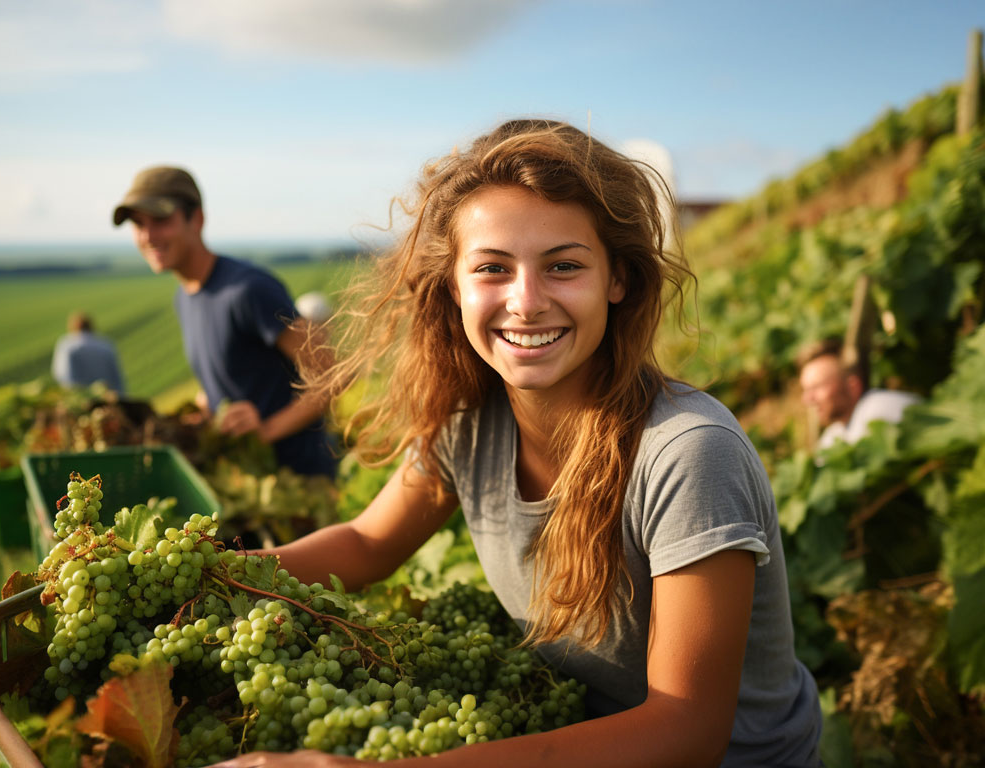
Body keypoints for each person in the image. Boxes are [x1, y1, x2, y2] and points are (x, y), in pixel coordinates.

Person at [214, 120, 820, 767]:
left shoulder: (689, 454)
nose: (526, 302)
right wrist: (211, 576)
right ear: (454, 286)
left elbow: (686, 731)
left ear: (617, 279)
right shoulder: (473, 427)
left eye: (563, 266)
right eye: (492, 269)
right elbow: (367, 544)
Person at [112, 166, 337, 477]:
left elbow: (332, 373)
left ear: (197, 220)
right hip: (244, 480)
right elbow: (236, 375)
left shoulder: (248, 290)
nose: (148, 236)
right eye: (138, 224)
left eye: (161, 220)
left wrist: (265, 430)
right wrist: (206, 409)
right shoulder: (185, 296)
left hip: (299, 488)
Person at [798, 337, 921, 450]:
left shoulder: (884, 410)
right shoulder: (830, 439)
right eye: (806, 390)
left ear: (853, 386)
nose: (808, 399)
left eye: (817, 387)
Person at [52, 311, 125, 395]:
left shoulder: (67, 345)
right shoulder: (105, 345)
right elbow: (116, 375)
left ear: (72, 327)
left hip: (79, 398)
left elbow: (62, 375)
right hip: (105, 396)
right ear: (91, 326)